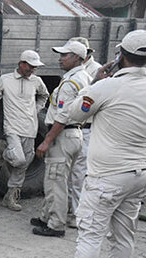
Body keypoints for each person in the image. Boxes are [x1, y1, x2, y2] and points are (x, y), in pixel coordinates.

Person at [39, 30, 146, 258]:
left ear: (120, 56)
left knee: (90, 233)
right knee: (124, 233)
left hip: (108, 174)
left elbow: (72, 113)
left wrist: (97, 82)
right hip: (138, 173)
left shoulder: (106, 87)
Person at [30, 40, 91, 237]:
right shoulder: (84, 77)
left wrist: (47, 139)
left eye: (65, 55)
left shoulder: (70, 82)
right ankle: (46, 216)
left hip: (64, 135)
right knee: (57, 178)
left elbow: (63, 116)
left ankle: (55, 224)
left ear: (78, 58)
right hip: (75, 134)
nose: (60, 58)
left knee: (56, 181)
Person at [0, 50, 49, 211]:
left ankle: (10, 197)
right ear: (22, 64)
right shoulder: (5, 80)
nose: (33, 69)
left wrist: (36, 109)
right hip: (12, 127)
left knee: (23, 165)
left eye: (35, 67)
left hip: (30, 128)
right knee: (19, 160)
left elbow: (44, 96)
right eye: (31, 66)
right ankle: (3, 151)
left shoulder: (37, 81)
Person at [67, 37, 102, 228]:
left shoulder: (95, 71)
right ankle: (71, 209)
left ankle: (78, 214)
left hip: (85, 127)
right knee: (72, 173)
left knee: (80, 174)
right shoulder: (75, 73)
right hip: (77, 127)